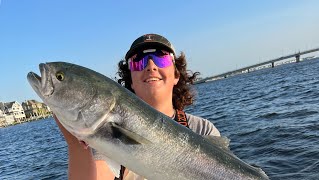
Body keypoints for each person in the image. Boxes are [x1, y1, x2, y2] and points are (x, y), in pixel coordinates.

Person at [54, 33, 221, 180]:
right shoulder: (104, 136)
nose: (150, 66)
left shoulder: (202, 130)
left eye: (161, 58)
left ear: (176, 75)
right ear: (130, 80)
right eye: (138, 62)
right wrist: (74, 144)